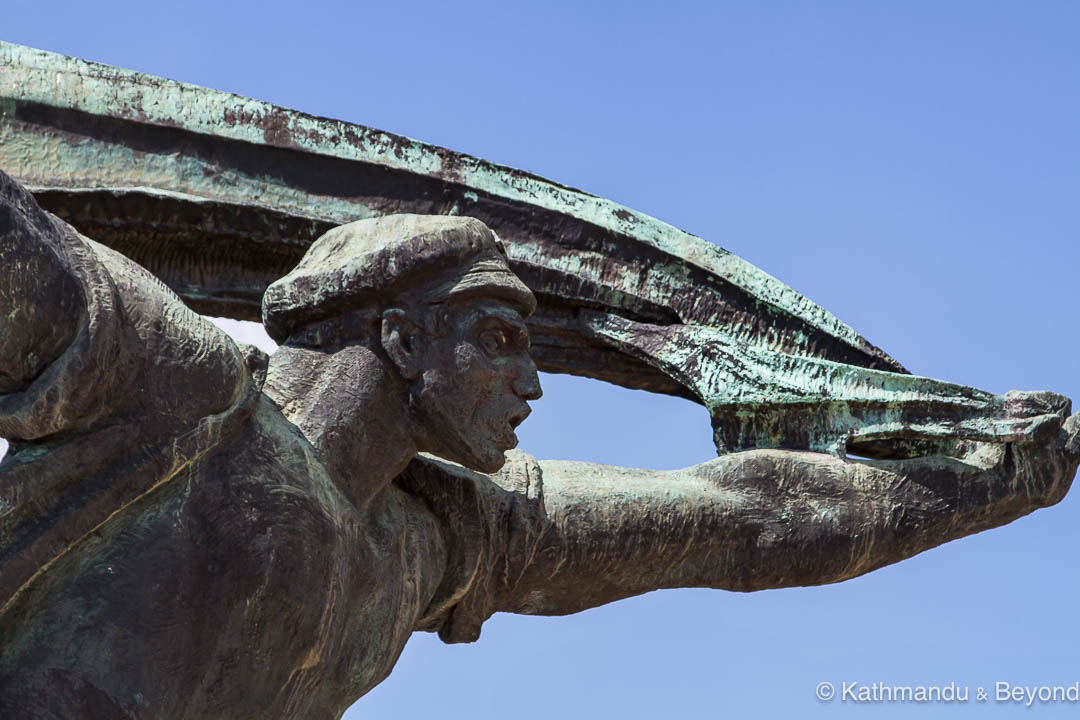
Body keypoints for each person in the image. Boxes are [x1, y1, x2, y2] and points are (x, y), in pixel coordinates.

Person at [1, 168, 1077, 719]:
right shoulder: (172, 385)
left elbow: (747, 522)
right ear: (403, 336)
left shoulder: (436, 541)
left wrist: (1001, 484)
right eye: (502, 338)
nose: (531, 383)